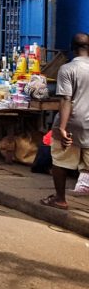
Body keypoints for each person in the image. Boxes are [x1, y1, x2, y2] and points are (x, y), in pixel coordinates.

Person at [42, 33, 89, 210]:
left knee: (61, 161)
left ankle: (60, 199)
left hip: (71, 123)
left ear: (72, 48)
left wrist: (61, 127)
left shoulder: (67, 69)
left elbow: (66, 100)